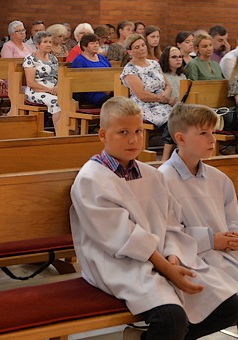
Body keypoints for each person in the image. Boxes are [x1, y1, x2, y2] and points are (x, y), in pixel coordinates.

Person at [70, 97, 238, 340]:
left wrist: (174, 257)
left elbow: (171, 225)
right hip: (120, 264)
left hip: (164, 258)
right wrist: (167, 268)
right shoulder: (92, 179)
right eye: (123, 132)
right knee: (171, 319)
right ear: (103, 135)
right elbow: (124, 238)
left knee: (230, 306)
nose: (133, 139)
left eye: (138, 131)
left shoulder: (151, 175)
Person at [160, 104, 238, 283]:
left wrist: (232, 238)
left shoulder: (220, 179)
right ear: (181, 138)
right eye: (203, 133)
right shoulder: (164, 179)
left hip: (229, 253)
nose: (212, 139)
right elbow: (167, 233)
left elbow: (233, 219)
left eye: (213, 132)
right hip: (193, 258)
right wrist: (210, 240)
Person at [121, 34, 176, 160]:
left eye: (143, 45)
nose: (142, 49)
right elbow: (141, 94)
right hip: (145, 105)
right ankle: (165, 157)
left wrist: (167, 94)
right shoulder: (129, 69)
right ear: (130, 52)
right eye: (137, 47)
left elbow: (167, 85)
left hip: (163, 101)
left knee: (184, 116)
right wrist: (162, 98)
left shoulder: (154, 64)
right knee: (172, 120)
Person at [22, 31, 62, 131]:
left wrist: (58, 87)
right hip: (35, 91)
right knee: (57, 102)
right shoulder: (30, 59)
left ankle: (69, 132)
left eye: (50, 42)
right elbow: (30, 83)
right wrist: (49, 90)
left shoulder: (53, 58)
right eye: (45, 42)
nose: (49, 44)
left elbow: (59, 77)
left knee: (70, 101)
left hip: (54, 91)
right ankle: (59, 134)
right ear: (37, 44)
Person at [69, 33, 112, 106]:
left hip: (109, 89)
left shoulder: (102, 58)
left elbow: (111, 73)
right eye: (92, 43)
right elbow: (79, 82)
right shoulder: (79, 60)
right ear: (84, 46)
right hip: (91, 92)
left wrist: (109, 88)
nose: (96, 45)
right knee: (110, 102)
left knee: (123, 99)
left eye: (97, 43)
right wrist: (103, 88)